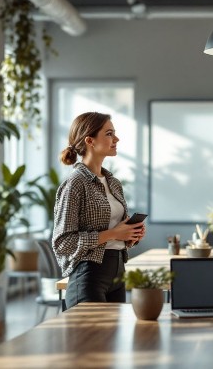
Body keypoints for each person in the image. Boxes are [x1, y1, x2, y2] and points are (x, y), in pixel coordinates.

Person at [52, 112, 145, 309]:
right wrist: (113, 233)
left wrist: (130, 235)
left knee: (112, 340)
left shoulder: (114, 183)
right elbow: (62, 243)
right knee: (91, 340)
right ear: (90, 141)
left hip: (118, 274)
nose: (116, 139)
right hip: (89, 276)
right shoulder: (75, 183)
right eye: (109, 133)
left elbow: (114, 236)